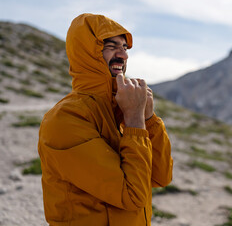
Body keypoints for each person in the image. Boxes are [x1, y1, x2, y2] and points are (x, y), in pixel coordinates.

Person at [38, 13, 173, 225]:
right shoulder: (65, 119)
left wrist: (148, 119)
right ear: (86, 53)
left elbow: (160, 176)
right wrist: (135, 120)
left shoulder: (116, 108)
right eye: (111, 46)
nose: (124, 55)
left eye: (125, 48)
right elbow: (132, 195)